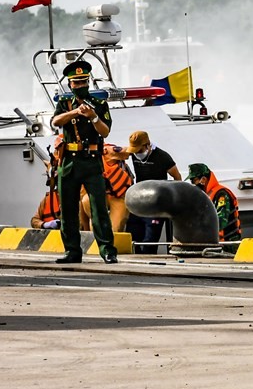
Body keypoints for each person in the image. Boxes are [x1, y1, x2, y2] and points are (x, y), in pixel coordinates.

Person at [49, 60, 117, 264]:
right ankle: (72, 251)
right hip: (69, 162)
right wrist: (75, 113)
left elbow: (105, 131)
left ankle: (107, 250)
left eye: (83, 82)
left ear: (88, 82)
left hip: (92, 161)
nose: (80, 86)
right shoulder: (64, 103)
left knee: (98, 208)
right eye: (76, 83)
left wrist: (93, 116)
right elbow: (55, 122)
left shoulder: (99, 104)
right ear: (70, 85)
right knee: (68, 209)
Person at [126, 130, 182, 254]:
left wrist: (173, 199)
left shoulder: (162, 157)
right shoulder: (133, 154)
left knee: (150, 239)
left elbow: (177, 177)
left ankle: (149, 260)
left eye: (139, 151)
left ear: (147, 145)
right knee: (133, 233)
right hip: (139, 199)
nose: (137, 154)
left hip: (156, 202)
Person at [187, 163, 242, 250]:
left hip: (228, 245)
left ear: (203, 179)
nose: (193, 184)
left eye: (194, 180)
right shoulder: (206, 195)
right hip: (214, 244)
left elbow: (220, 222)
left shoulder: (221, 194)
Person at [80, 143, 133, 233]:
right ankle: (97, 231)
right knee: (86, 201)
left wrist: (137, 146)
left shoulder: (107, 151)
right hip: (98, 194)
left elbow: (127, 151)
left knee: (115, 228)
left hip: (118, 195)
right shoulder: (77, 159)